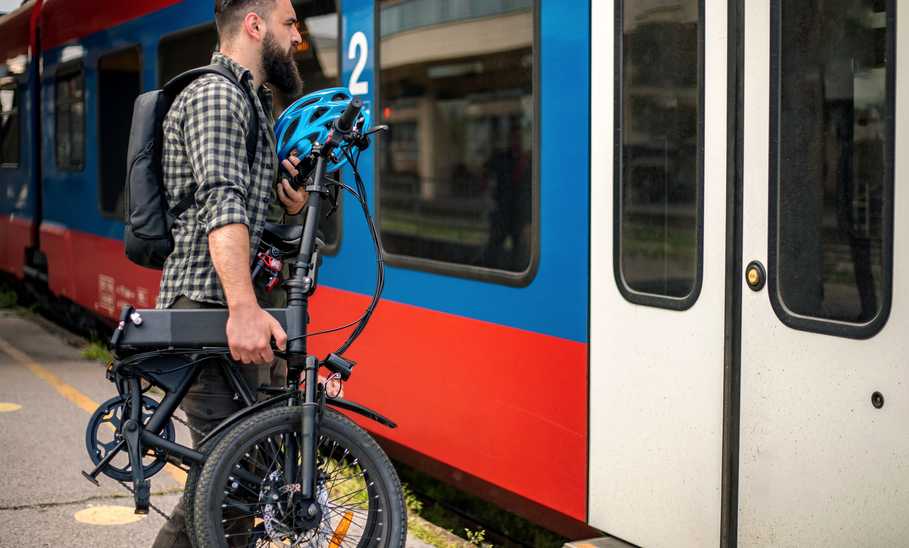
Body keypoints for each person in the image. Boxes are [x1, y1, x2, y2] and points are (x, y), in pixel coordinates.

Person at [152, 0, 306, 546]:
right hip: (212, 308)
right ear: (255, 24)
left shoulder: (246, 101)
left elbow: (241, 206)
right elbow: (221, 204)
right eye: (290, 24)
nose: (298, 38)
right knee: (229, 486)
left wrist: (284, 204)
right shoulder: (218, 96)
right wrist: (243, 308)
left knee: (232, 486)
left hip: (231, 310)